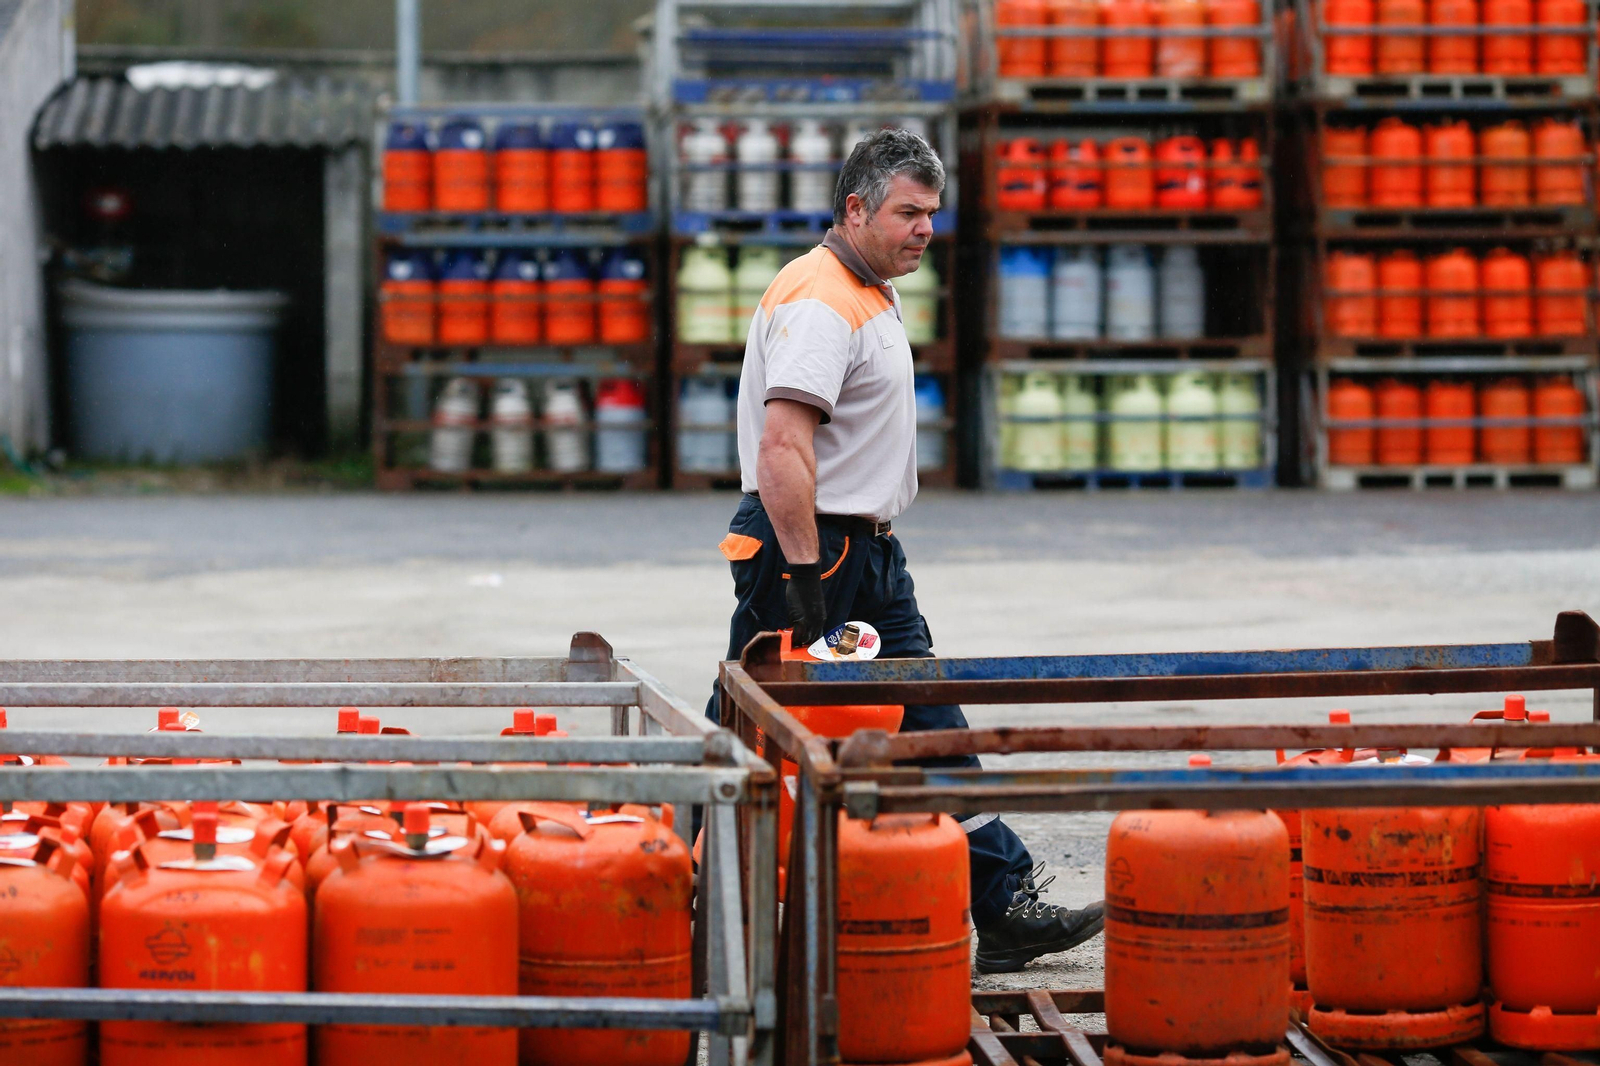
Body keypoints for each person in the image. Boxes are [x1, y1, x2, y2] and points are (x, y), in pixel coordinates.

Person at [705, 127, 1104, 973]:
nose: (925, 229)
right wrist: (807, 575)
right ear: (855, 209)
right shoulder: (820, 299)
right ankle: (677, 884)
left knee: (928, 720)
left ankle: (1000, 904)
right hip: (814, 549)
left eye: (931, 214)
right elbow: (782, 447)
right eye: (908, 213)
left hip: (867, 550)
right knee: (754, 726)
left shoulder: (867, 287)